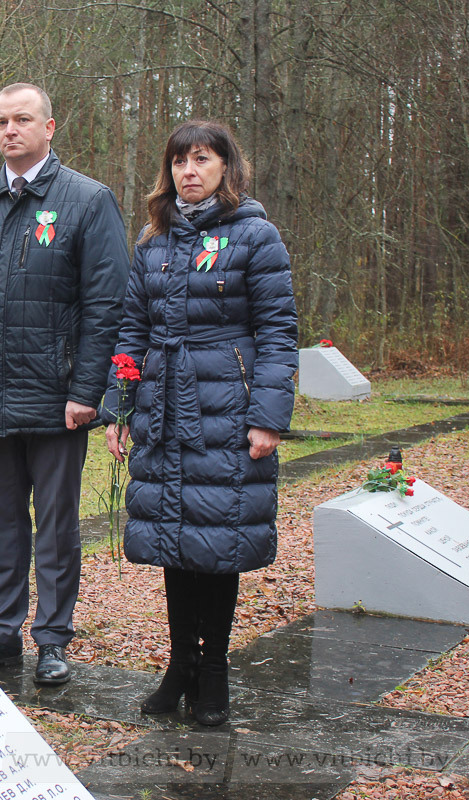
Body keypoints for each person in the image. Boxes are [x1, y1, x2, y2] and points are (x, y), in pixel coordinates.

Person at [0, 83, 129, 685]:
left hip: (56, 396)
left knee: (57, 524)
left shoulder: (88, 201)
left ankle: (52, 638)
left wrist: (87, 392)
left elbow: (106, 305)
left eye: (22, 119)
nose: (9, 130)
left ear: (49, 128)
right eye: (0, 121)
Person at [102, 120, 297, 725]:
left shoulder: (255, 237)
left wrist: (268, 417)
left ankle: (214, 673)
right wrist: (121, 409)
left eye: (203, 159)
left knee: (219, 541)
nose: (190, 170)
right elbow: (131, 330)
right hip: (162, 409)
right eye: (180, 161)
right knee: (174, 544)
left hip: (228, 412)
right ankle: (180, 663)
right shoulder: (152, 240)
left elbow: (278, 333)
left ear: (225, 168)